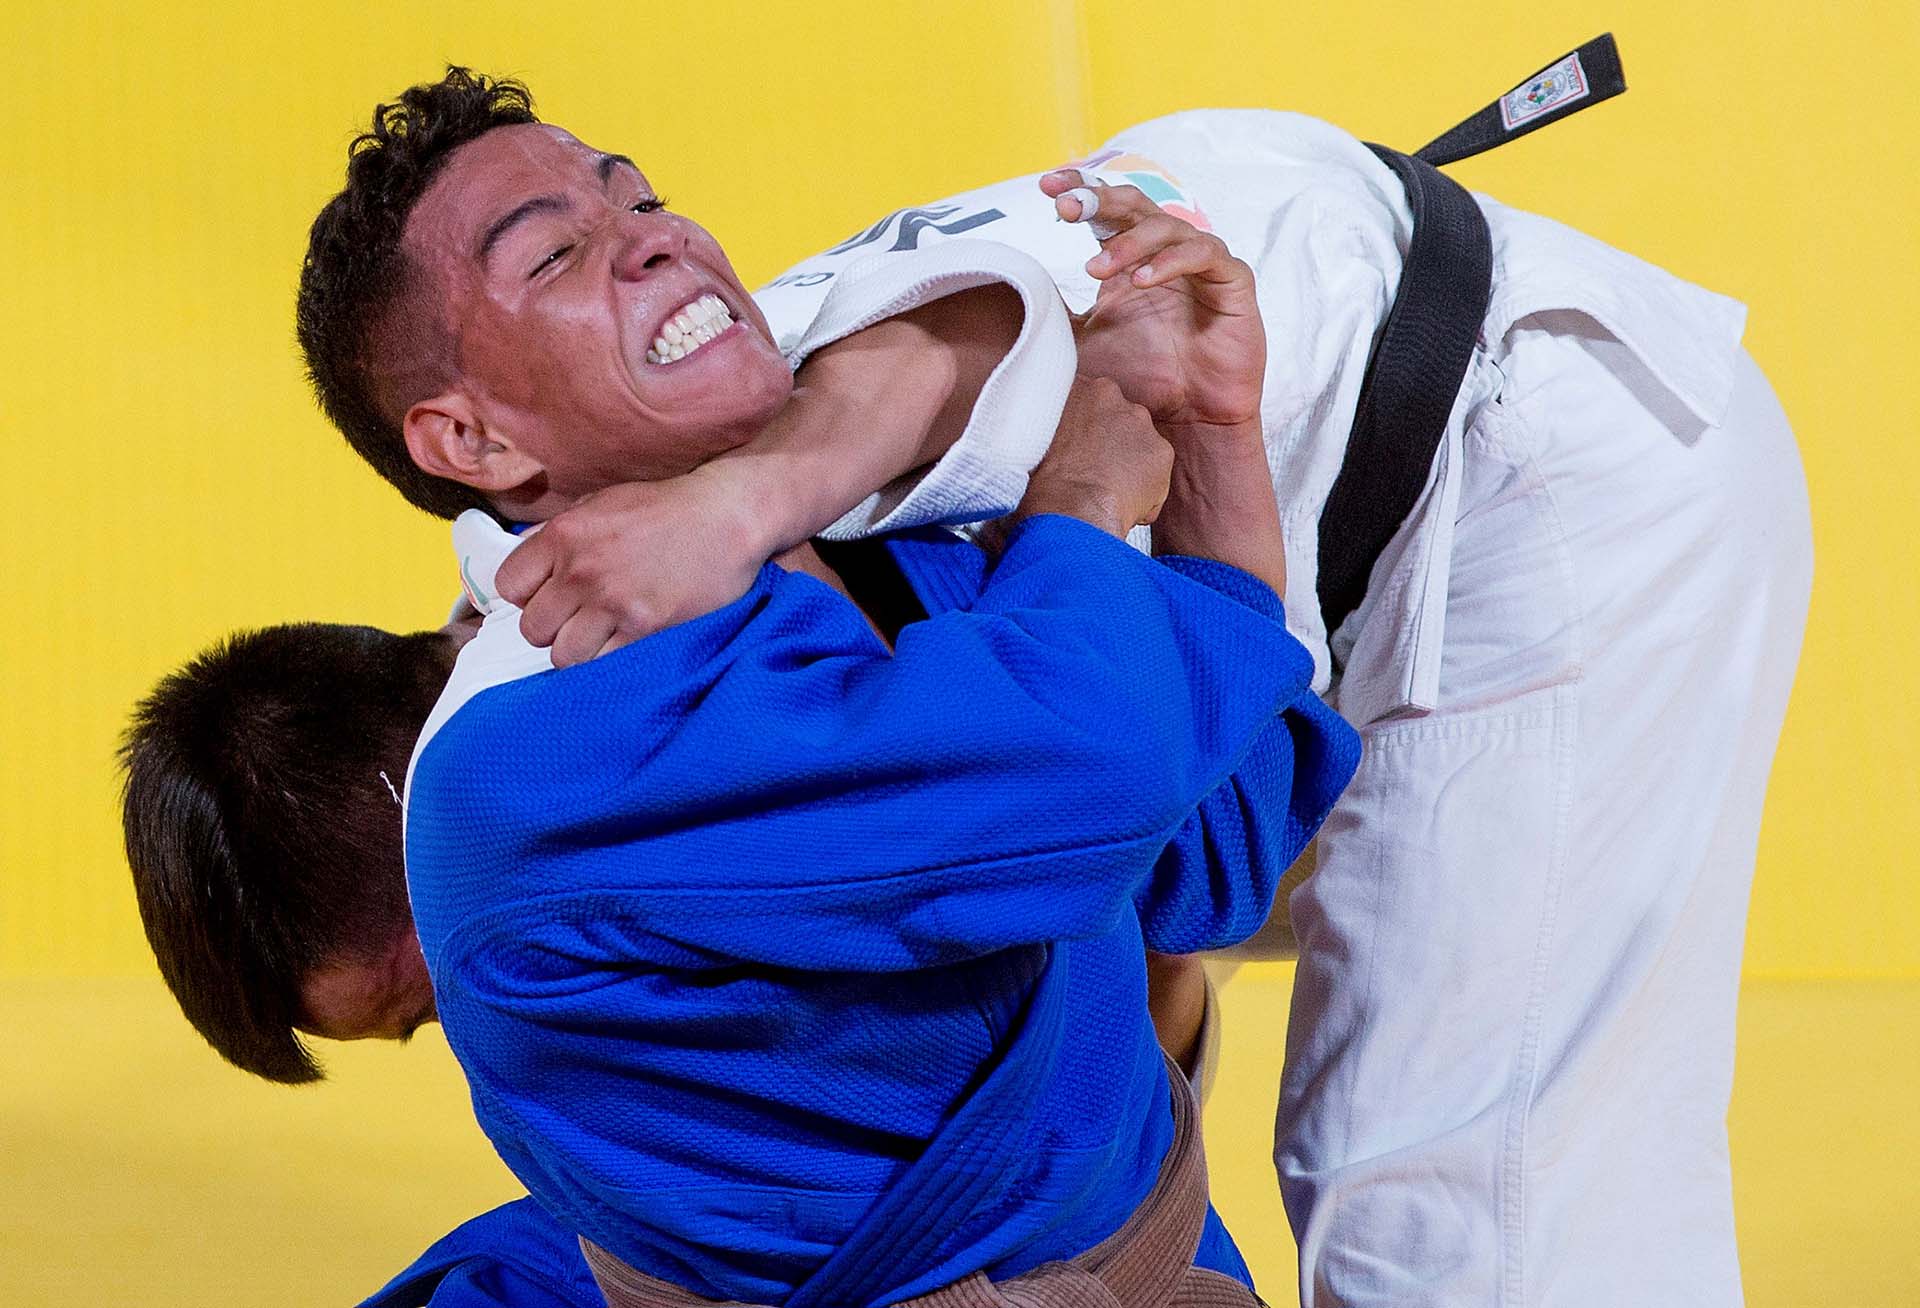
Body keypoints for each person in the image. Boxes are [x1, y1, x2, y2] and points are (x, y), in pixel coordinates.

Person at [296, 62, 1806, 1307]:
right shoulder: (544, 745)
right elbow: (1186, 831)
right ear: (471, 446)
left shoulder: (799, 457)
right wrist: (1131, 475)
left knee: (1467, 1226)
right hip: (1390, 532)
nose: (652, 234)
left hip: (1534, 469)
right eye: (555, 253)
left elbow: (1166, 822)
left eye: (634, 189)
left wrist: (1178, 442)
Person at [125, 366, 1357, 1307]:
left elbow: (1200, 859)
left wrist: (1111, 493)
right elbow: (1205, 873)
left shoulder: (610, 786)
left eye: (437, 1000)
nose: (490, 1047)